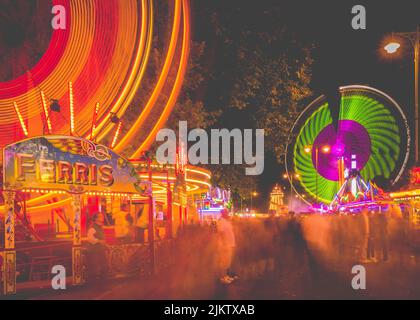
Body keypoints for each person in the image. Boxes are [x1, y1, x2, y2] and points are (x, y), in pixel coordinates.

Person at [217, 209, 236, 284]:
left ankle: (226, 276)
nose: (228, 214)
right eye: (226, 213)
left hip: (229, 244)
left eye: (227, 212)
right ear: (223, 213)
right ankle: (222, 277)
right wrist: (224, 244)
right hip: (225, 245)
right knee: (224, 262)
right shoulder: (221, 221)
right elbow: (221, 233)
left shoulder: (226, 221)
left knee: (227, 262)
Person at [87, 213, 108, 281]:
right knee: (96, 267)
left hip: (100, 250)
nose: (102, 217)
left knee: (103, 266)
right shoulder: (93, 227)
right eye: (100, 216)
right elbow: (90, 238)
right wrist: (99, 241)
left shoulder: (100, 227)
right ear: (96, 219)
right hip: (94, 251)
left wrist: (105, 244)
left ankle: (101, 281)